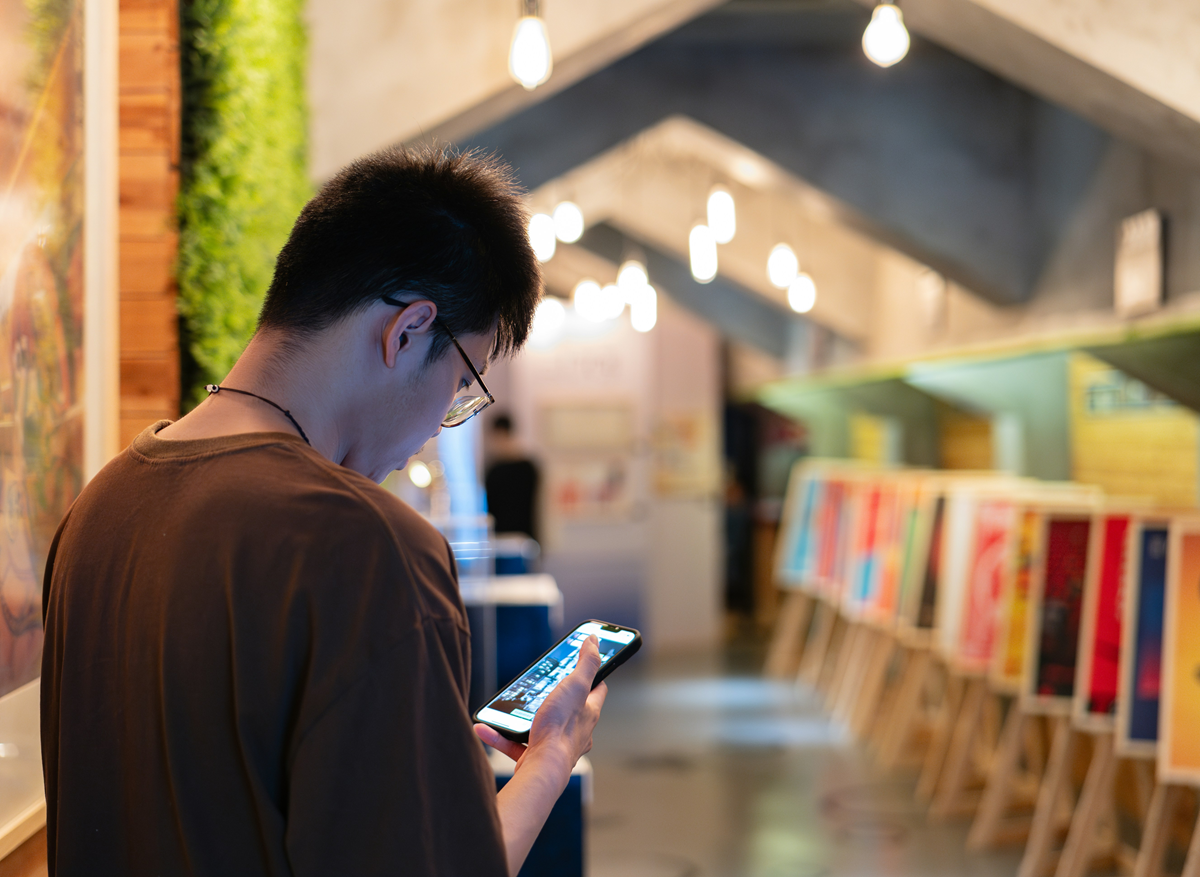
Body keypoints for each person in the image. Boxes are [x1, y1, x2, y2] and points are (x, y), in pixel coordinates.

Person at [40, 146, 607, 876]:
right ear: (406, 332)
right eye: (462, 387)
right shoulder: (368, 544)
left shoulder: (99, 506)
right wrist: (550, 758)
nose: (439, 424)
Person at [484, 413, 540, 541]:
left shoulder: (495, 470)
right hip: (525, 537)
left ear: (499, 432)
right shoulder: (529, 467)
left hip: (505, 539)